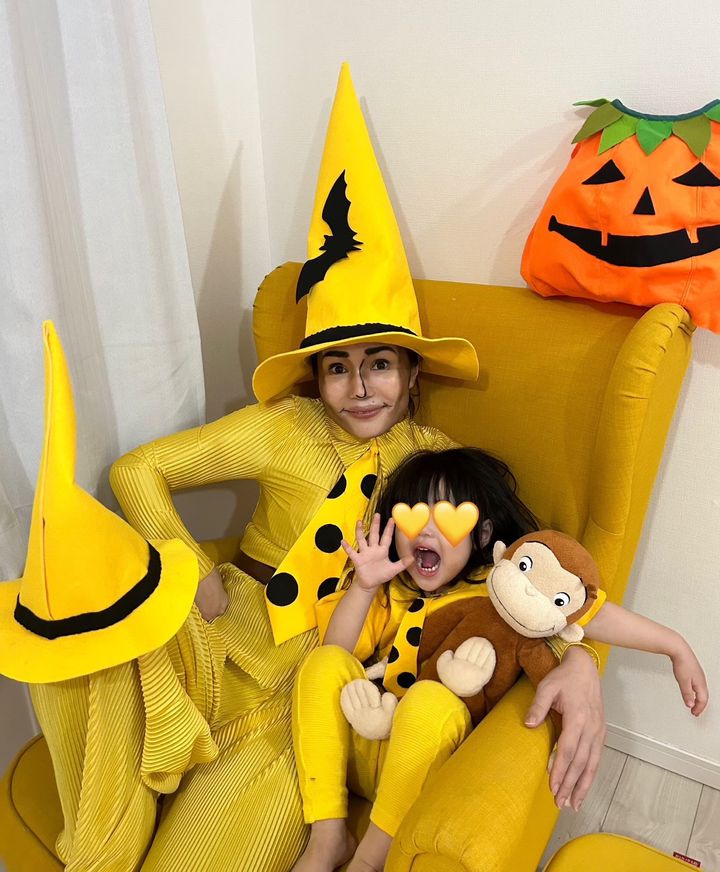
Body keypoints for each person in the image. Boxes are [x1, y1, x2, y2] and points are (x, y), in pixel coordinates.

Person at [25, 64, 605, 872]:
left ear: (412, 374)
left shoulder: (433, 461)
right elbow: (136, 470)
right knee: (78, 649)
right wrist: (191, 564)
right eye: (338, 367)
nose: (359, 387)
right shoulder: (283, 427)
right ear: (316, 376)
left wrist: (581, 666)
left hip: (315, 684)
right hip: (225, 635)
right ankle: (103, 844)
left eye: (380, 365)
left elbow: (527, 563)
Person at [290, 449, 708, 872]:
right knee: (322, 663)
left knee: (428, 703)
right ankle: (328, 838)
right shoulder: (390, 590)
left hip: (422, 764)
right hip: (369, 740)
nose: (428, 529)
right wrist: (364, 587)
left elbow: (586, 611)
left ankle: (369, 860)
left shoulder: (500, 587)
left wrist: (673, 646)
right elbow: (337, 651)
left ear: (482, 534)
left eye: (449, 518)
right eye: (413, 516)